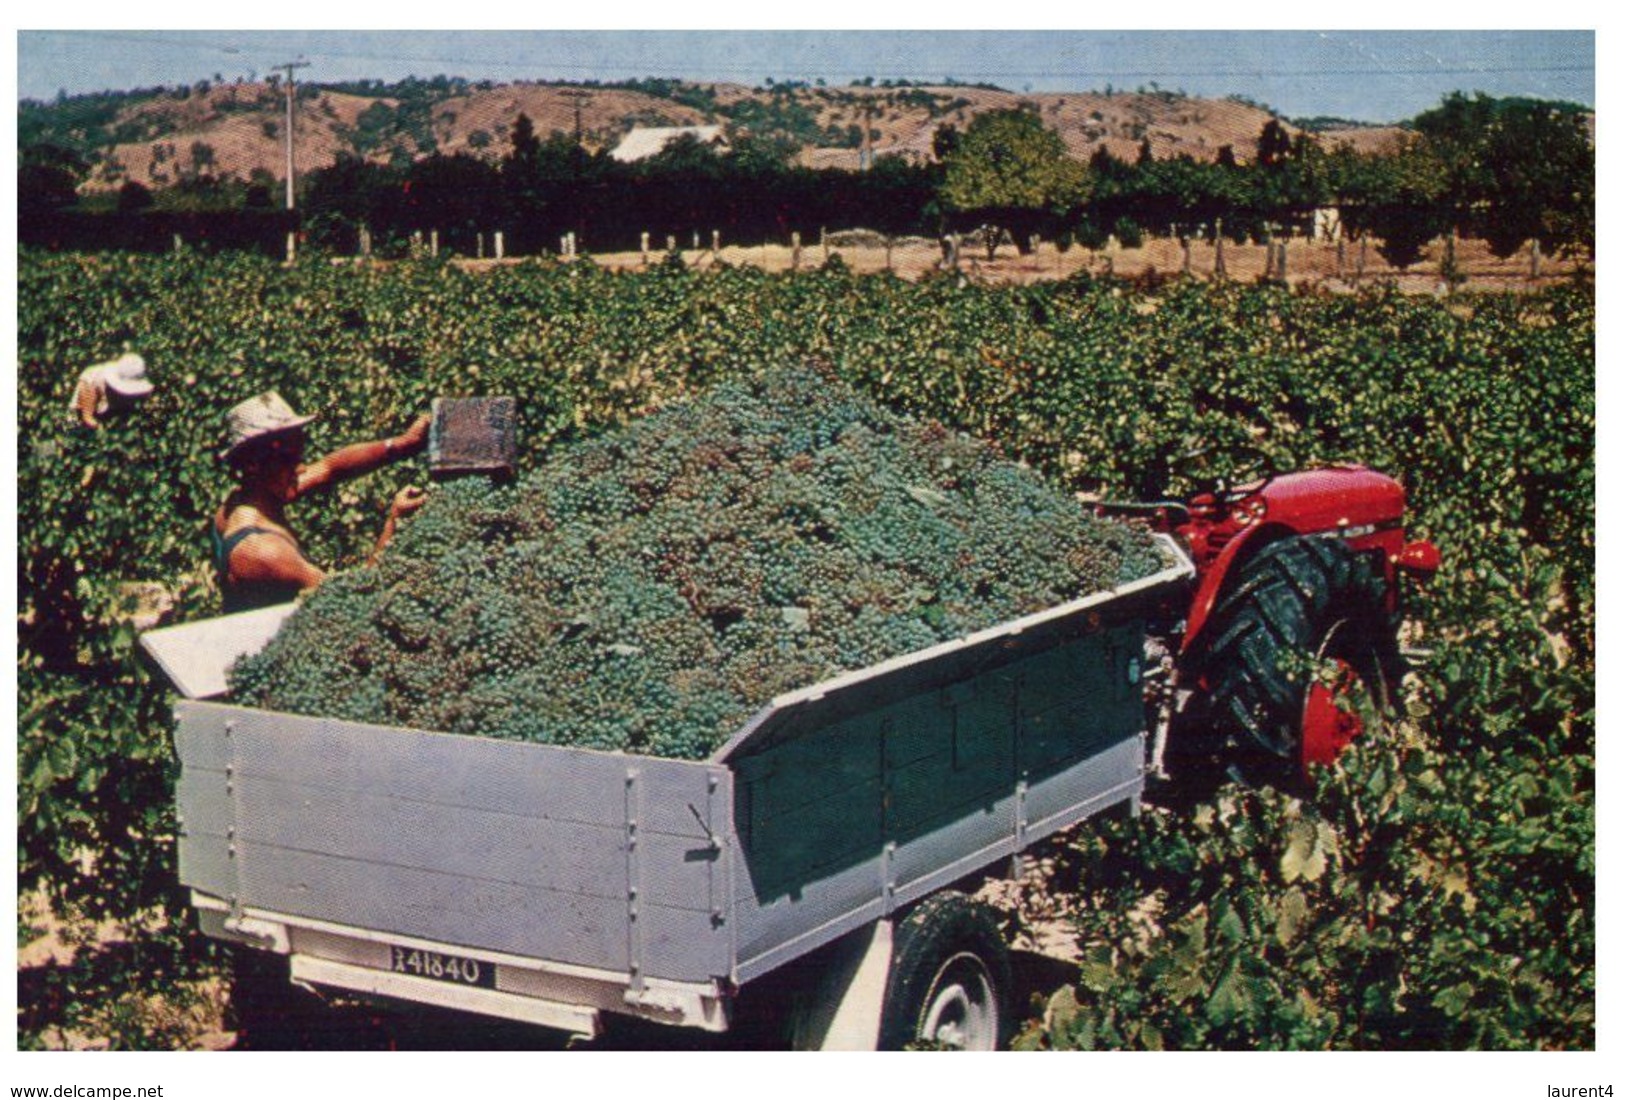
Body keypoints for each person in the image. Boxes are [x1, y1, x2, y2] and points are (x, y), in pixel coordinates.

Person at [213, 391, 430, 613]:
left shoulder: (245, 501)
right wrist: (394, 523)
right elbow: (359, 603)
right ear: (253, 465)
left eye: (299, 453)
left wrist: (404, 444)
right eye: (289, 459)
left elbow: (330, 468)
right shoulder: (263, 552)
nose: (302, 468)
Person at [71, 352, 154, 428]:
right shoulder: (92, 378)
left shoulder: (138, 380)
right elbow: (87, 417)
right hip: (88, 419)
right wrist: (101, 430)